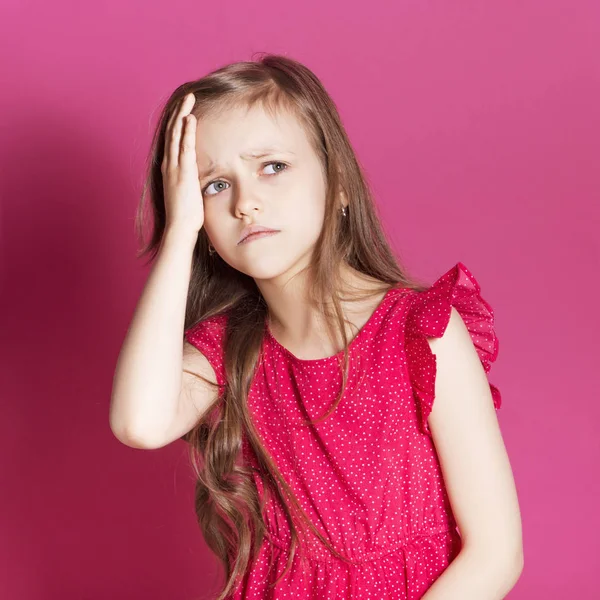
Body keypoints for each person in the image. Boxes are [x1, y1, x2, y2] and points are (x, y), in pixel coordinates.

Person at [109, 53, 523, 599]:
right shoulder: (228, 350)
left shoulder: (420, 331)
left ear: (340, 184)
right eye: (214, 186)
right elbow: (140, 423)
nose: (247, 203)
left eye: (272, 167)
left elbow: (496, 552)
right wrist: (181, 232)